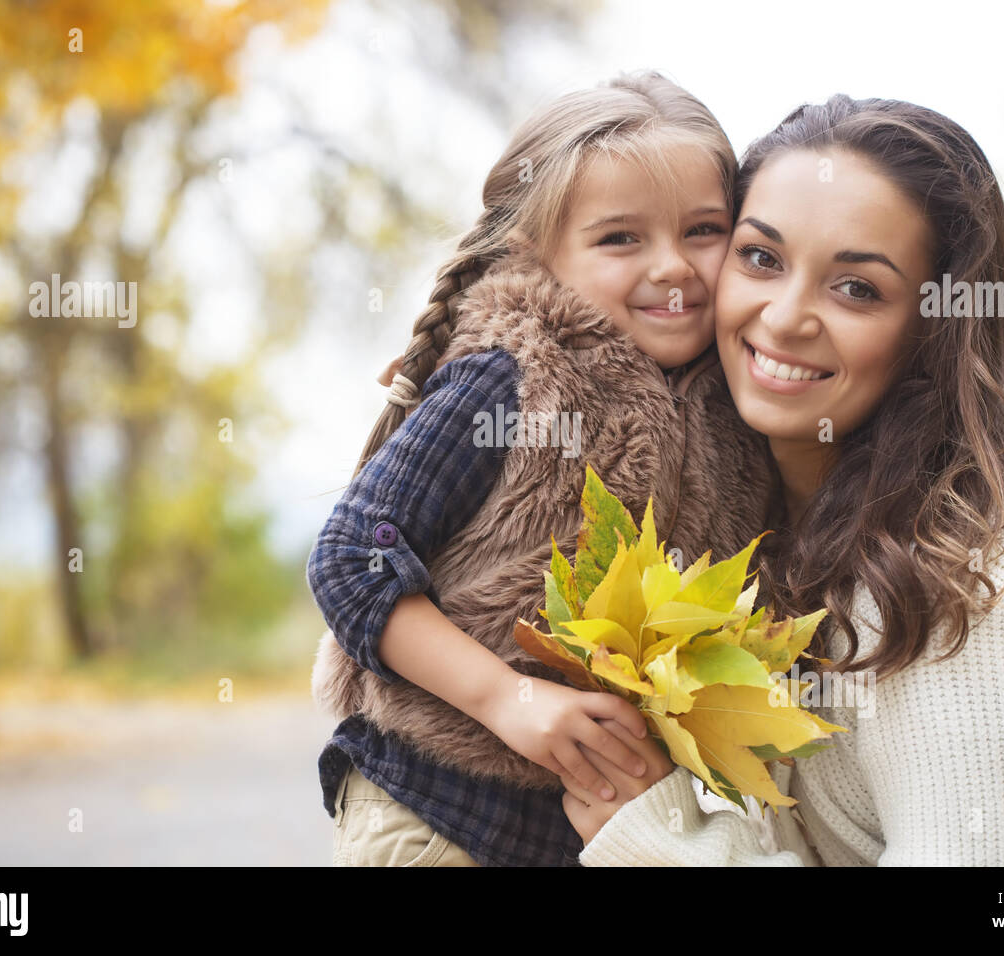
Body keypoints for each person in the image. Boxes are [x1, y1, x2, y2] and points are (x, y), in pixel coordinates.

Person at [562, 94, 1004, 867]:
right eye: (761, 257)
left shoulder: (957, 601)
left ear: (931, 332)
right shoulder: (806, 538)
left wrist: (665, 842)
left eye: (856, 289)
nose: (784, 318)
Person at [307, 71, 773, 866]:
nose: (674, 269)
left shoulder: (737, 405)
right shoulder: (515, 375)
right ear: (536, 249)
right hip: (436, 812)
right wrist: (508, 697)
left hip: (594, 835)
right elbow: (352, 559)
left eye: (704, 231)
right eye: (621, 239)